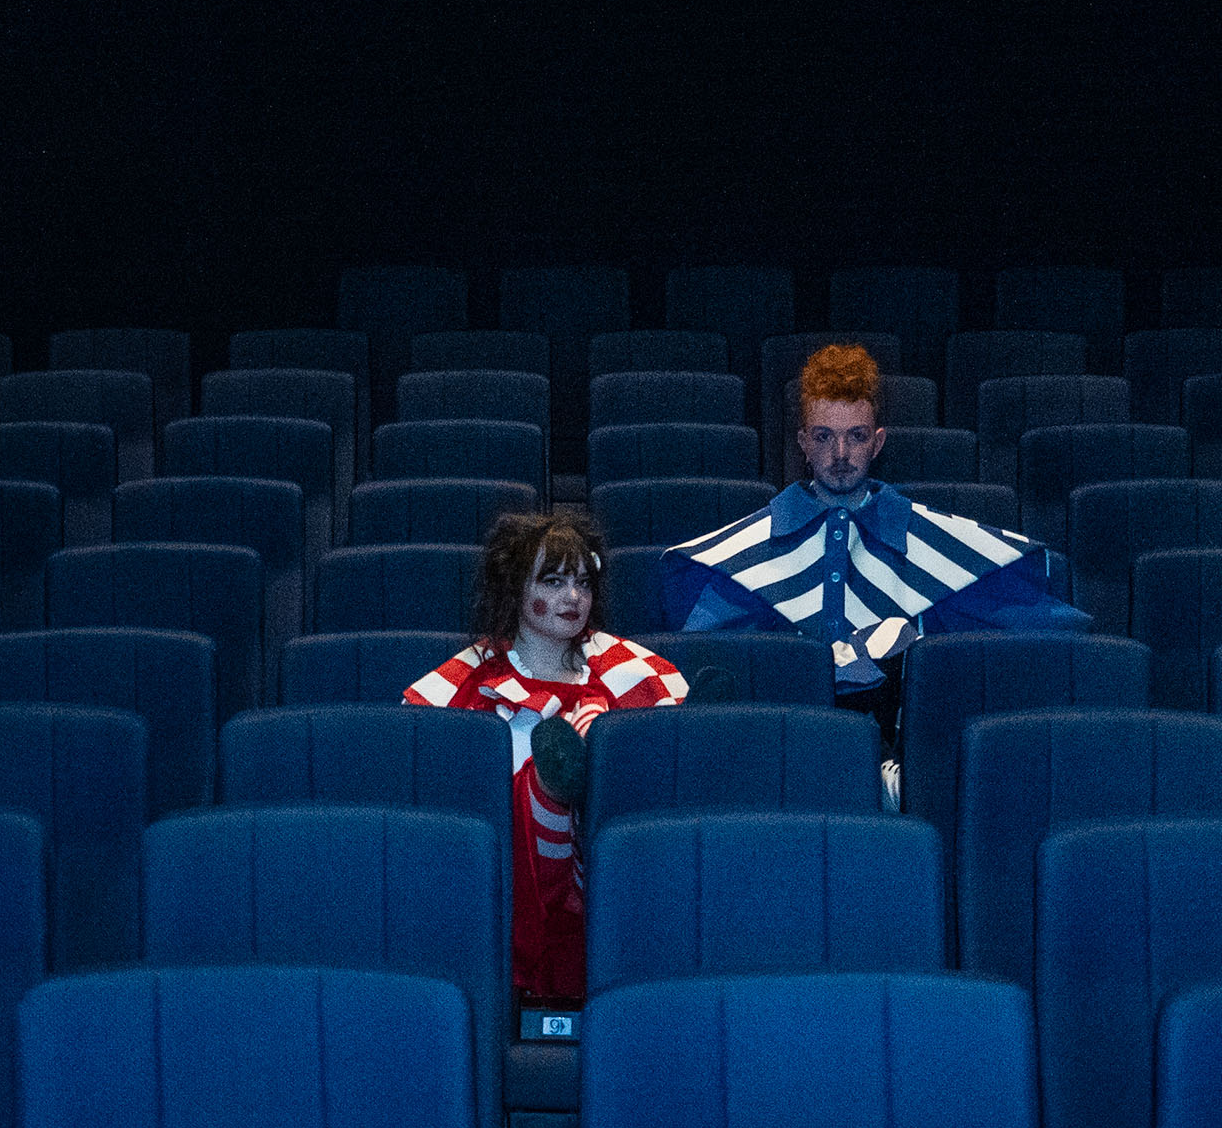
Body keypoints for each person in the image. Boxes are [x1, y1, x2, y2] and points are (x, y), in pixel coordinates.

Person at [658, 342, 1086, 772]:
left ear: (878, 442)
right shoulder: (751, 550)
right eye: (824, 436)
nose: (840, 454)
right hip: (780, 750)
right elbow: (708, 664)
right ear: (803, 442)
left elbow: (1048, 634)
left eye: (856, 436)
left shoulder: (925, 538)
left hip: (897, 747)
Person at [404, 511, 687, 1006]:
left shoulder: (625, 668)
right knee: (532, 792)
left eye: (583, 583)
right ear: (516, 589)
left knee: (644, 752)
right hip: (513, 882)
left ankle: (568, 787)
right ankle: (550, 792)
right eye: (553, 582)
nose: (573, 597)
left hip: (612, 875)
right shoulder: (468, 681)